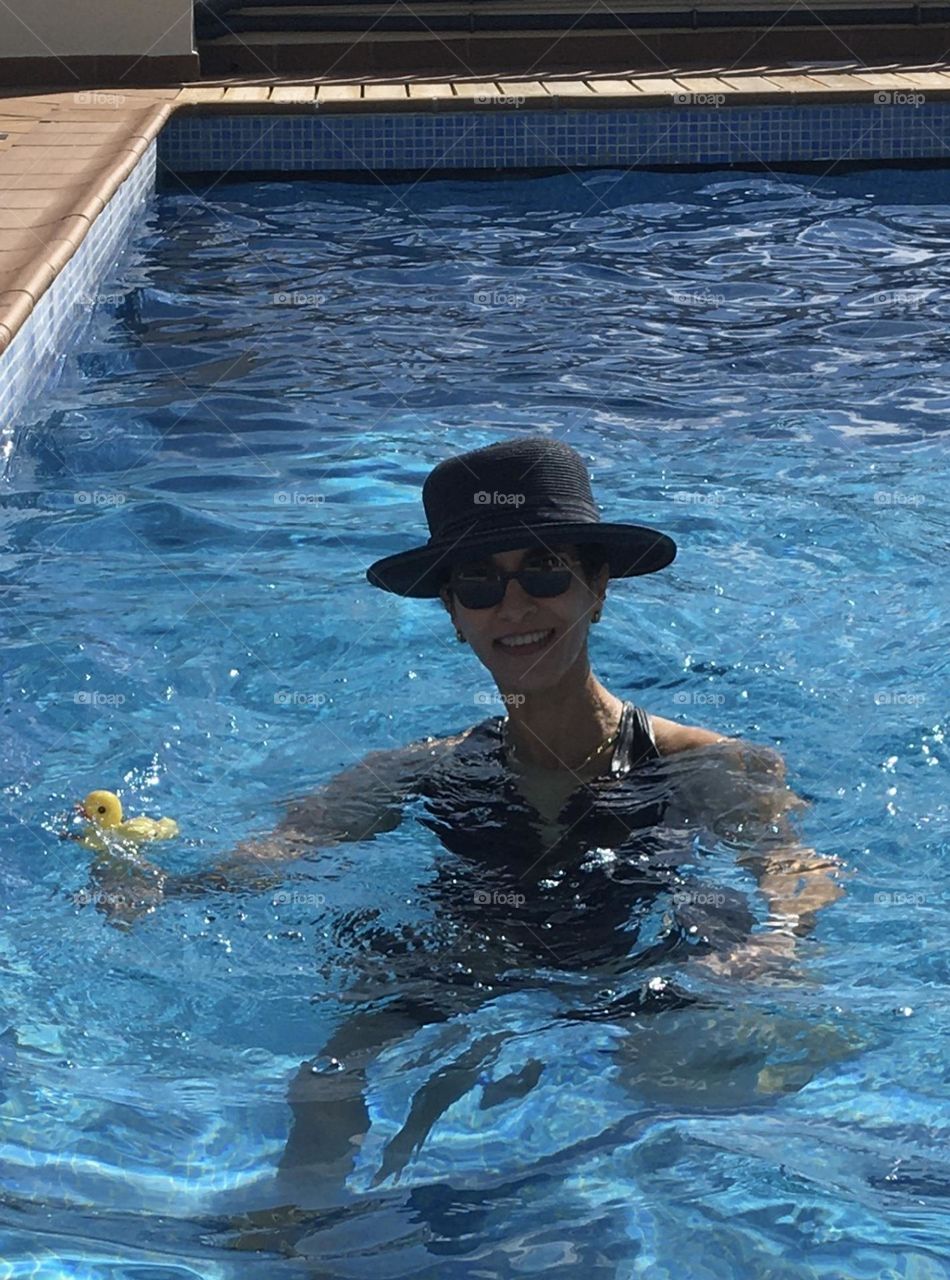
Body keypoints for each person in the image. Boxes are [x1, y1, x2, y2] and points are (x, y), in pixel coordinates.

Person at [86, 435, 847, 1215]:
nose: (514, 609)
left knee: (682, 1075)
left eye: (544, 572)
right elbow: (285, 849)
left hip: (645, 966)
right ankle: (296, 1238)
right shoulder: (415, 772)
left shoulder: (707, 764)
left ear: (597, 587)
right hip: (474, 965)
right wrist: (156, 888)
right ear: (453, 615)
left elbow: (796, 867)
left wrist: (779, 939)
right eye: (479, 587)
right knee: (324, 1080)